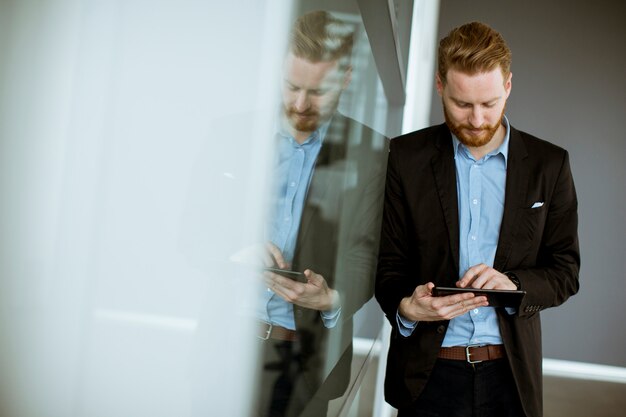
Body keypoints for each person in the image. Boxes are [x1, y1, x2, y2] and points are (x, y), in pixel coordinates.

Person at [183, 10, 388, 417]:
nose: (300, 103)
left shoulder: (375, 154)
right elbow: (193, 232)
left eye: (318, 92)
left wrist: (332, 297)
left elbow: (368, 251)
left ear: (347, 78)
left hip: (309, 362)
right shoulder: (229, 136)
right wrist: (234, 255)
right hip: (225, 348)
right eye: (292, 85)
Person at [375, 21, 579, 417]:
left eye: (489, 103)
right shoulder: (405, 158)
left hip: (511, 378)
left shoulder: (549, 164)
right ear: (440, 87)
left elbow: (565, 271)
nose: (477, 119)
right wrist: (406, 307)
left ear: (508, 86)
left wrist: (514, 283)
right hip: (426, 377)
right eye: (462, 104)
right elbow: (388, 264)